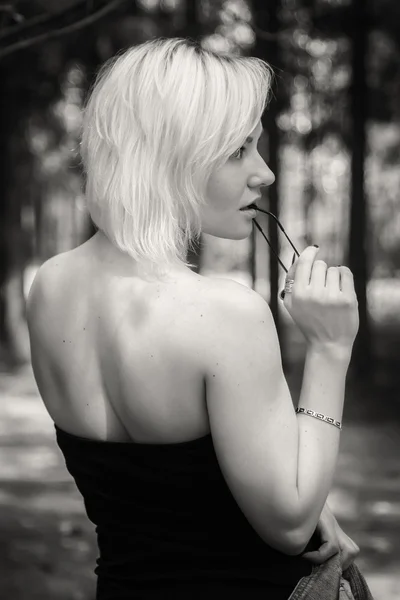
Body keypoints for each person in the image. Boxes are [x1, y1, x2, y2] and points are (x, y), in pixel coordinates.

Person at [26, 37, 360, 599]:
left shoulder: (51, 286)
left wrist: (287, 480)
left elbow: (162, 492)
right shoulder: (225, 315)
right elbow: (290, 524)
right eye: (238, 151)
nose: (266, 174)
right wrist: (330, 350)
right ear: (167, 156)